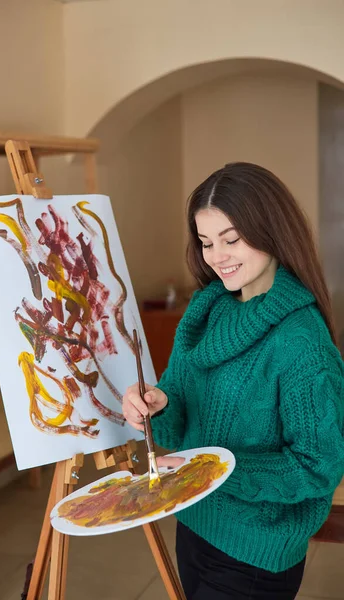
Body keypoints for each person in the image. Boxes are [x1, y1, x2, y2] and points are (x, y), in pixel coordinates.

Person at [122, 162, 344, 600]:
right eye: (206, 243)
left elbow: (318, 467)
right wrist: (155, 404)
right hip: (194, 524)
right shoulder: (207, 310)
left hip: (256, 553)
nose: (216, 256)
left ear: (272, 231)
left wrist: (211, 471)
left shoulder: (301, 341)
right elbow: (178, 413)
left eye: (232, 239)